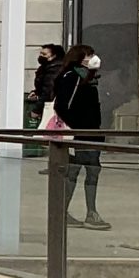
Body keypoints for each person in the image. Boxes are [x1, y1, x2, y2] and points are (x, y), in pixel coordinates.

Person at [53, 42, 110, 230]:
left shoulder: (88, 77)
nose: (92, 58)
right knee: (80, 171)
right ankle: (84, 213)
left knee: (89, 170)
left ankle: (75, 211)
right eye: (88, 55)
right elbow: (61, 106)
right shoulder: (72, 77)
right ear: (79, 58)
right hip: (80, 133)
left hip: (92, 132)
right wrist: (76, 126)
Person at [29, 43, 61, 133]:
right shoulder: (46, 67)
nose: (41, 56)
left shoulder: (54, 69)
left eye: (44, 54)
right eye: (40, 53)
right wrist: (36, 91)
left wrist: (37, 109)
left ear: (53, 55)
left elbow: (49, 90)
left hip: (51, 106)